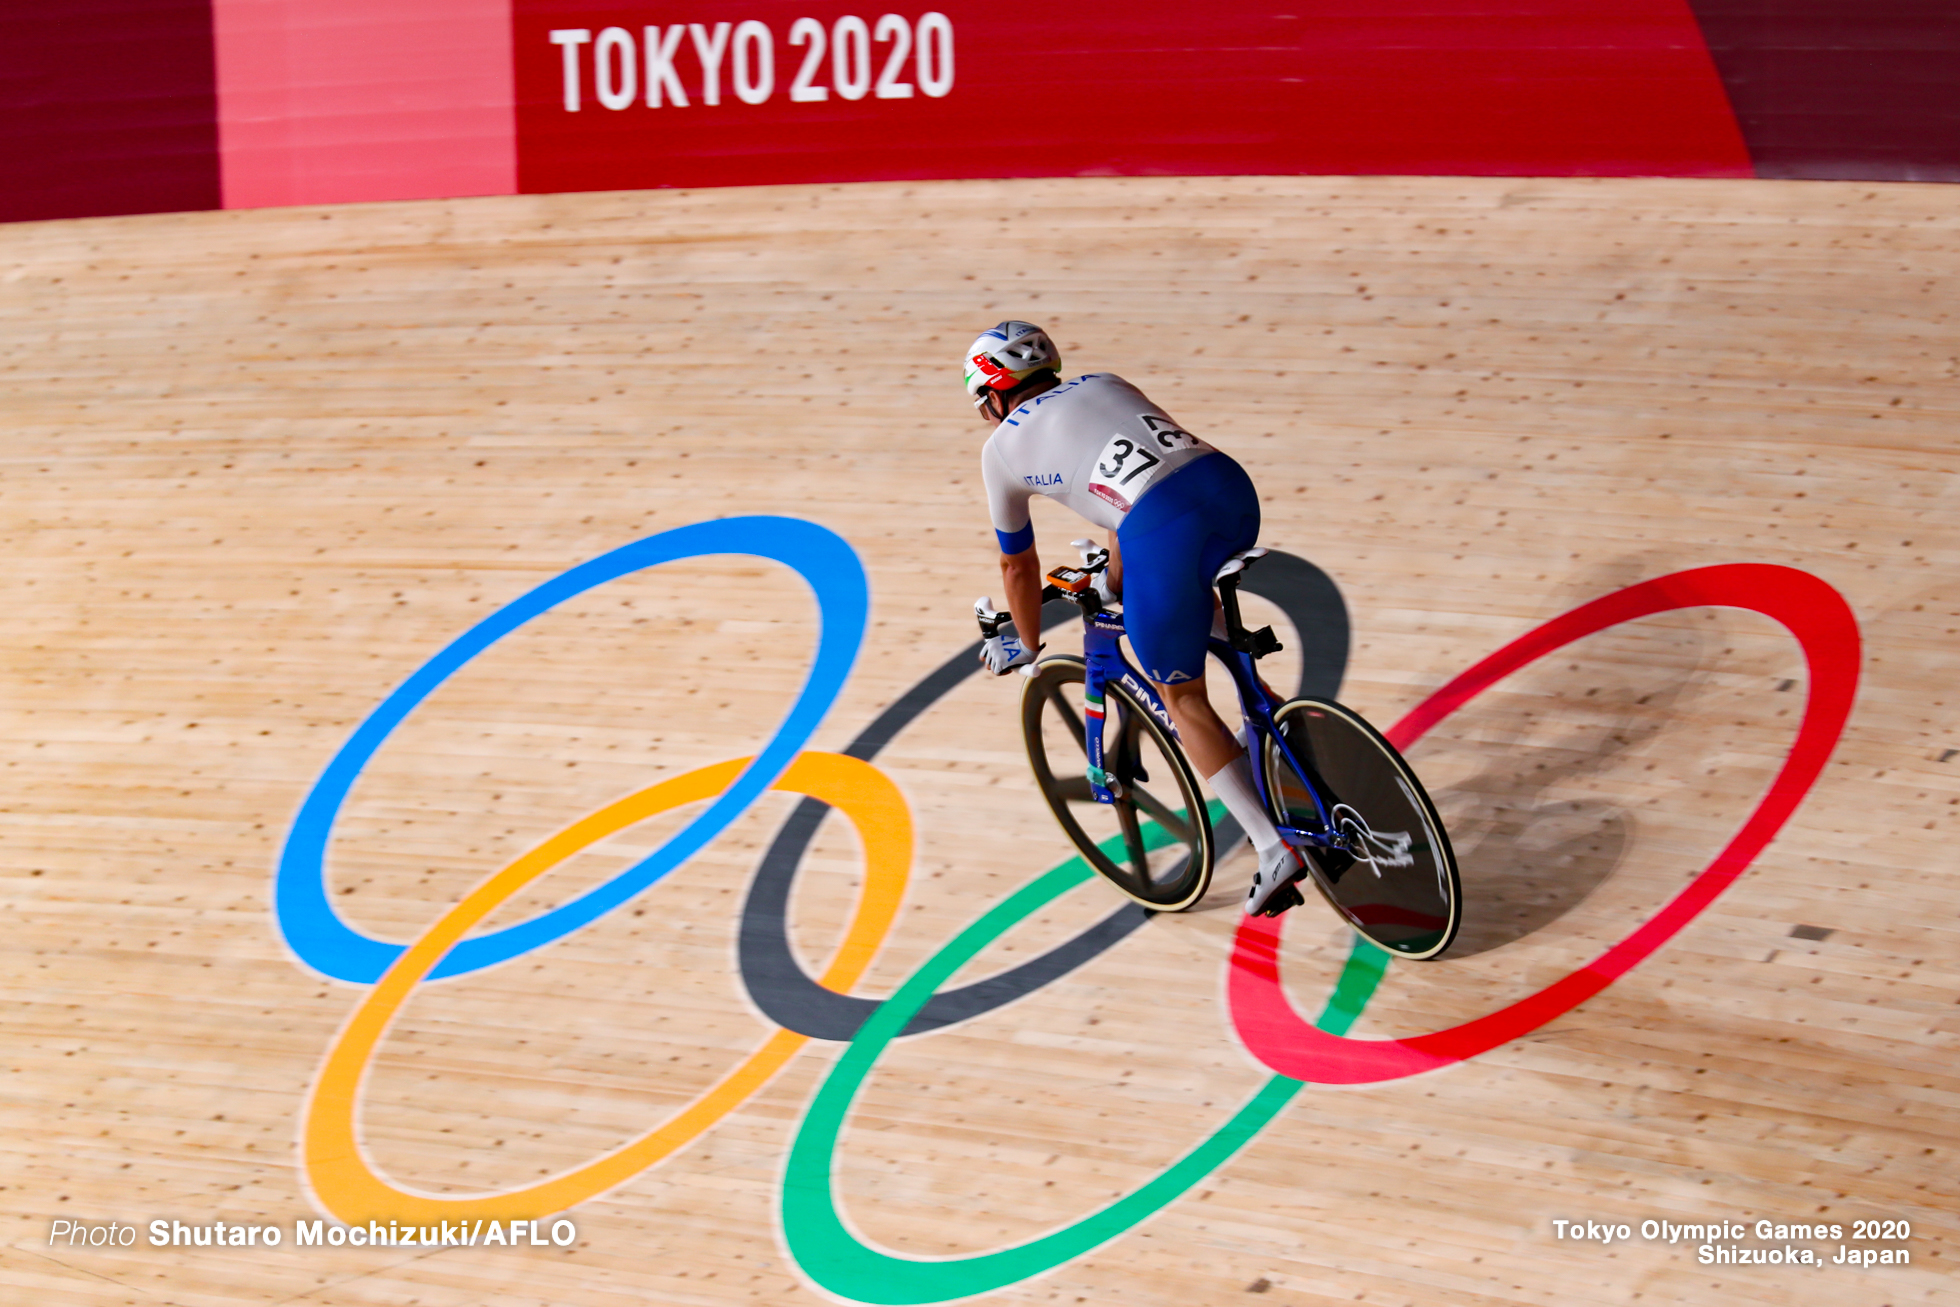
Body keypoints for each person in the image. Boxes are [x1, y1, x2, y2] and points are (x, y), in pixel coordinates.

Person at [965, 320, 1304, 916]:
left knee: (1183, 697)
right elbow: (1135, 489)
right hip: (1229, 491)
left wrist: (1026, 641)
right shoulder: (1105, 381)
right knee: (1181, 604)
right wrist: (1114, 580)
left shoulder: (1001, 451)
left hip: (1161, 532)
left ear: (994, 393)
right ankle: (1286, 735)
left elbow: (1017, 567)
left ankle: (1272, 847)